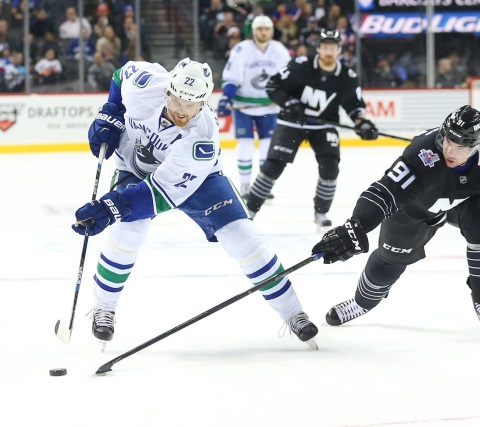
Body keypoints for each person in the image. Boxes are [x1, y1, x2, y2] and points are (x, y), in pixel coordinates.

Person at [71, 57, 318, 351]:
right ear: (168, 91)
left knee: (245, 238)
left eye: (191, 104)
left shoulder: (203, 135)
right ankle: (104, 308)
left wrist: (109, 208)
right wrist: (111, 112)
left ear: (204, 102)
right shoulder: (146, 83)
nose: (182, 110)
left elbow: (160, 194)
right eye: (177, 100)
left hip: (197, 179)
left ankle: (294, 313)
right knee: (127, 234)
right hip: (134, 167)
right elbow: (120, 75)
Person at [311, 105, 480, 340]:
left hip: (465, 203)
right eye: (447, 140)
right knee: (390, 261)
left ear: (476, 146)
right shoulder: (422, 154)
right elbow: (384, 191)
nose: (450, 151)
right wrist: (356, 225)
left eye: (461, 146)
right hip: (414, 211)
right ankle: (362, 303)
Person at [244, 29, 379, 228]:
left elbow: (354, 106)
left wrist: (363, 123)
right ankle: (250, 210)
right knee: (272, 167)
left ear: (339, 50)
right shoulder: (301, 65)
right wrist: (288, 103)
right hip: (293, 123)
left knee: (330, 168)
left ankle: (321, 213)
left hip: (324, 126)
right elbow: (274, 86)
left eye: (332, 48)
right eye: (325, 47)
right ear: (318, 49)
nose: (328, 52)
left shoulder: (347, 76)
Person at [217, 15, 291, 197]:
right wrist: (227, 97)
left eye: (266, 29)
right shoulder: (241, 49)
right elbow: (232, 77)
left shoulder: (280, 51)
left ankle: (263, 185)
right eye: (260, 29)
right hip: (244, 105)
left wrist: (289, 99)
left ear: (271, 31)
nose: (263, 32)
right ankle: (245, 185)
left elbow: (288, 78)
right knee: (245, 143)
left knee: (267, 145)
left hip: (269, 106)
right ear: (253, 31)